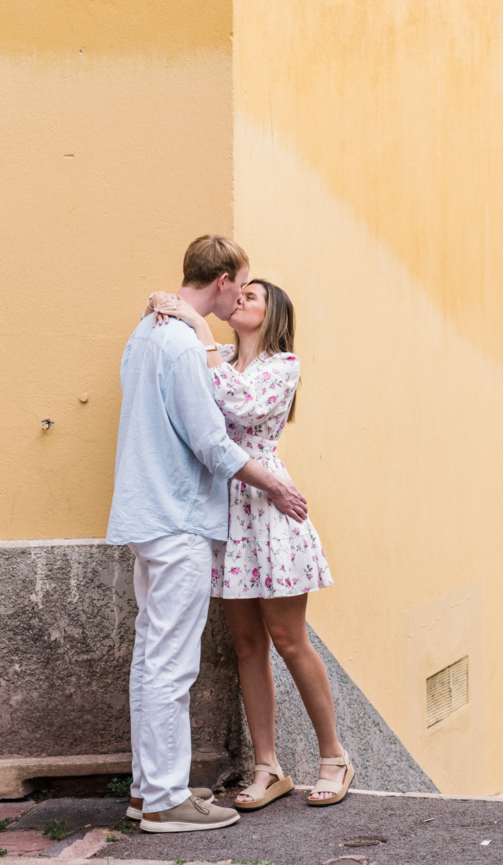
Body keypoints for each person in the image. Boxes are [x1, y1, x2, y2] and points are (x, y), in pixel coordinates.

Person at [106, 235, 309, 836]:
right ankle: (168, 800)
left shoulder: (145, 334)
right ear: (220, 281)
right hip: (179, 517)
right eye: (239, 284)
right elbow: (212, 443)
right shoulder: (182, 345)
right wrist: (272, 484)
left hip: (148, 515)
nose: (239, 298)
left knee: (151, 659)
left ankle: (148, 791)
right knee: (171, 665)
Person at [149, 277, 354, 810]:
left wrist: (199, 328)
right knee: (247, 646)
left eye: (252, 296)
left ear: (273, 315)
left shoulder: (282, 365)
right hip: (226, 509)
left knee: (289, 640)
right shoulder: (214, 358)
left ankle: (334, 757)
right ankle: (269, 767)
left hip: (268, 507)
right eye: (238, 293)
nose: (240, 299)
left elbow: (239, 407)